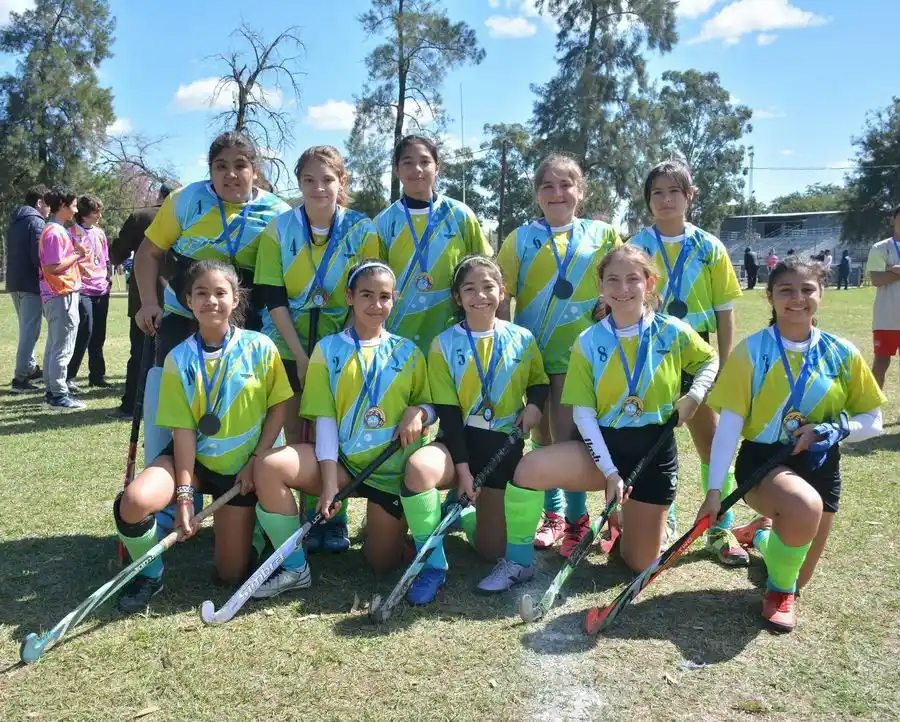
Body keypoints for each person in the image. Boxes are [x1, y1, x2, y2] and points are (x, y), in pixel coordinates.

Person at [496, 245, 717, 590]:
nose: (623, 288)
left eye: (633, 278)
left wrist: (695, 395)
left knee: (638, 564)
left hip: (654, 453)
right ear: (601, 287)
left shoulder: (671, 331)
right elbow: (583, 414)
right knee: (529, 468)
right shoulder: (587, 341)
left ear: (650, 282)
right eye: (613, 279)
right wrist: (611, 473)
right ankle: (517, 562)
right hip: (602, 450)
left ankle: (626, 525)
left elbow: (709, 361)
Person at [696, 257, 885, 632]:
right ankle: (777, 591)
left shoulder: (843, 352)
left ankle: (763, 535)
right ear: (770, 297)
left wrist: (832, 430)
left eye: (807, 290)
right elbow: (730, 428)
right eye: (786, 290)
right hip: (764, 462)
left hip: (820, 463)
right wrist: (715, 490)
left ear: (822, 295)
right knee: (800, 520)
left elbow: (873, 422)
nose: (797, 298)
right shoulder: (751, 351)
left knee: (800, 574)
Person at [113, 260, 293, 613]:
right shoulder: (179, 358)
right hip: (192, 461)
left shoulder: (261, 347)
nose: (211, 300)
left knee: (230, 574)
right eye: (201, 293)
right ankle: (149, 574)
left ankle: (257, 530)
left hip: (242, 468)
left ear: (236, 298)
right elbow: (182, 433)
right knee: (133, 502)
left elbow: (278, 409)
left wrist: (256, 462)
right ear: (188, 301)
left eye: (220, 293)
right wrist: (183, 496)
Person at [133, 132, 290, 533]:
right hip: (181, 319)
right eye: (221, 166)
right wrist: (149, 302)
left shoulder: (277, 212)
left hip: (245, 324)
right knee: (167, 400)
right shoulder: (185, 200)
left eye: (240, 165)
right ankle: (169, 500)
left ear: (256, 169)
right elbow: (149, 253)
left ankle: (247, 492)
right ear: (210, 170)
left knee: (243, 408)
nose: (231, 174)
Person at [250, 260, 435, 598]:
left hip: (388, 472)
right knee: (268, 466)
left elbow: (430, 405)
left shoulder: (408, 352)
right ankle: (294, 567)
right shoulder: (328, 349)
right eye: (366, 295)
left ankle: (397, 533)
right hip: (343, 465)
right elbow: (326, 420)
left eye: (384, 296)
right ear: (349, 297)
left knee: (381, 564)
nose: (375, 305)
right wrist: (330, 485)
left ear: (394, 299)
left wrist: (420, 411)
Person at [398, 255, 548, 603]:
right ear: (457, 297)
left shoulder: (522, 338)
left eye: (488, 287)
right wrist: (464, 474)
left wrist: (536, 406)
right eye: (469, 289)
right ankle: (432, 566)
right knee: (420, 468)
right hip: (456, 446)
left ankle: (463, 513)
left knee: (490, 551)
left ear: (502, 291)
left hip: (502, 451)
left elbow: (539, 382)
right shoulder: (443, 343)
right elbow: (449, 414)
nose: (480, 295)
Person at [254, 145, 380, 552]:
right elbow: (272, 297)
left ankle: (334, 516)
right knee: (294, 433)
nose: (318, 188)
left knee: (335, 431)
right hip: (287, 345)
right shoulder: (278, 229)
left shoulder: (362, 229)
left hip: (341, 342)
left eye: (327, 179)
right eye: (308, 180)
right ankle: (305, 519)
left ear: (342, 182)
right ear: (299, 183)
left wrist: (330, 350)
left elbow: (365, 292)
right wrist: (303, 356)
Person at [496, 153, 621, 557]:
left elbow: (621, 285)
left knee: (570, 438)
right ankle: (551, 516)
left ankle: (576, 520)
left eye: (566, 184)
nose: (557, 192)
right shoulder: (519, 239)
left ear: (580, 191)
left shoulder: (602, 235)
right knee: (540, 437)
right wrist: (503, 348)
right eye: (547, 186)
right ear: (536, 195)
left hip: (580, 358)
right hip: (532, 355)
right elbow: (503, 297)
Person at [628, 160, 746, 565]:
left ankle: (720, 526)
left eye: (673, 191)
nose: (665, 199)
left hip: (698, 354)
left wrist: (724, 366)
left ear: (690, 196)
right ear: (648, 200)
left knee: (711, 443)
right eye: (656, 192)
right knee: (657, 438)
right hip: (651, 352)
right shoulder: (637, 244)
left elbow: (725, 310)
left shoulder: (710, 246)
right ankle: (665, 522)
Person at [376, 135, 493, 356]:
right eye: (407, 162)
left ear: (437, 167)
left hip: (455, 333)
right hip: (399, 334)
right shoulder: (383, 222)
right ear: (397, 170)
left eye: (425, 161)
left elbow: (485, 272)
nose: (417, 169)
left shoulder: (460, 215)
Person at [107, 182, 177, 420]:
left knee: (140, 354)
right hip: (182, 296)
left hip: (145, 297)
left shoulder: (141, 216)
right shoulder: (192, 214)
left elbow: (117, 255)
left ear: (160, 195)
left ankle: (131, 405)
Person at [38, 186, 86, 411]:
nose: (76, 210)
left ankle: (52, 392)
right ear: (63, 206)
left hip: (57, 294)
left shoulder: (56, 230)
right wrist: (77, 255)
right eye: (74, 205)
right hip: (61, 294)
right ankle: (58, 394)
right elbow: (53, 266)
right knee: (63, 346)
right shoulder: (54, 232)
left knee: (55, 345)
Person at [6, 185, 49, 393]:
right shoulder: (36, 221)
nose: (49, 208)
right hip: (30, 283)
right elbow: (39, 257)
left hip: (14, 282)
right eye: (47, 203)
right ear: (39, 203)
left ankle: (30, 369)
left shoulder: (15, 220)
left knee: (27, 329)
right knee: (30, 332)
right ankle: (20, 379)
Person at [67, 195, 111, 389]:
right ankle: (69, 376)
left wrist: (107, 278)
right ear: (84, 214)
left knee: (99, 334)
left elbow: (105, 258)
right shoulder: (71, 233)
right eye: (96, 211)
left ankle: (97, 376)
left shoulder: (100, 233)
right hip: (83, 289)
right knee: (85, 331)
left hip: (101, 289)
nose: (99, 215)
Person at [864, 204, 900, 389]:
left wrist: (893, 269)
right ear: (893, 219)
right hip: (887, 317)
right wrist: (887, 271)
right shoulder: (879, 248)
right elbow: (877, 279)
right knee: (881, 363)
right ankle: (872, 411)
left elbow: (885, 274)